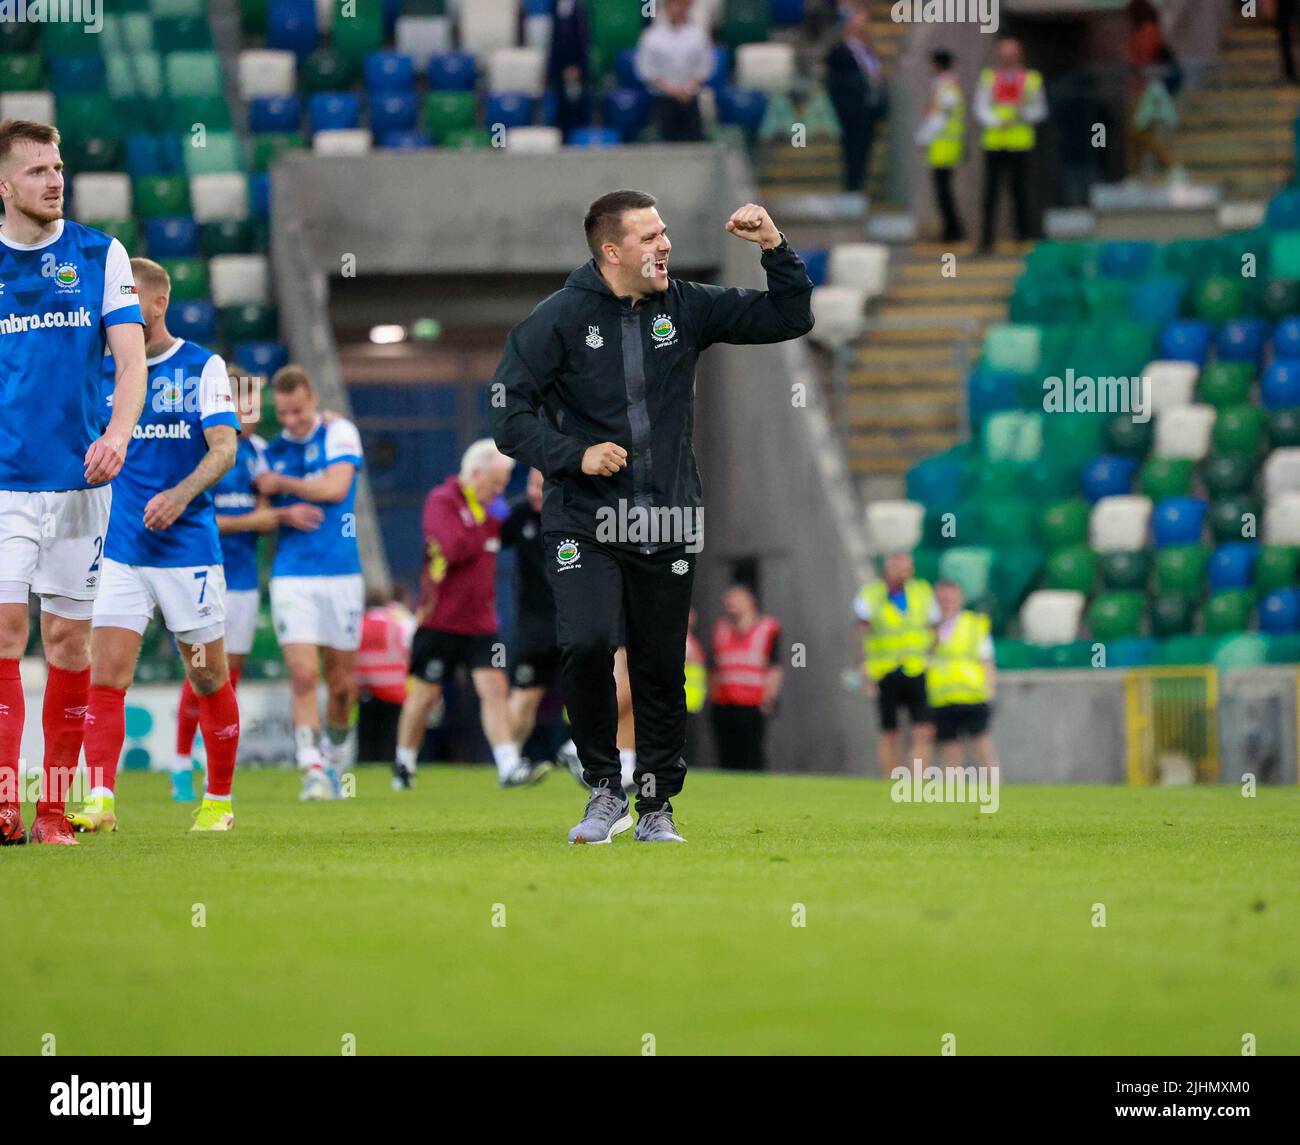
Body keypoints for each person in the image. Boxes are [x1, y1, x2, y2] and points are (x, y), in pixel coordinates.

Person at [491, 189, 813, 845]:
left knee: (661, 665)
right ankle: (603, 789)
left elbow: (791, 314)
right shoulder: (555, 319)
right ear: (611, 252)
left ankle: (656, 804)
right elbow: (507, 412)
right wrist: (573, 455)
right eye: (649, 236)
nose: (664, 244)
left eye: (664, 232)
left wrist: (774, 246)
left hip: (666, 520)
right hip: (583, 518)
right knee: (584, 642)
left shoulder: (687, 306)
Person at [0, 118, 146, 847]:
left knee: (67, 644)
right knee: (4, 631)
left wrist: (117, 435)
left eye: (57, 168)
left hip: (81, 483)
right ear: (4, 185)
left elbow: (130, 361)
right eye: (36, 171)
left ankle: (54, 808)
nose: (55, 180)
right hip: (4, 482)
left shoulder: (99, 253)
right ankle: (4, 801)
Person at [66, 258, 241, 835]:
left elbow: (224, 448)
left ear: (158, 302)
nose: (113, 306)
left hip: (188, 554)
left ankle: (217, 802)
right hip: (120, 552)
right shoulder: (106, 371)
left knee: (208, 678)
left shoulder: (202, 366)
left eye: (126, 295)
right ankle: (101, 799)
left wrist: (180, 494)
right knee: (107, 676)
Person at [171, 369, 321, 799]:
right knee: (198, 671)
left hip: (241, 582)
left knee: (225, 676)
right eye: (242, 403)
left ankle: (210, 764)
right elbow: (197, 520)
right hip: (201, 573)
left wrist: (270, 512)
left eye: (254, 404)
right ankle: (181, 765)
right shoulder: (202, 453)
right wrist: (260, 519)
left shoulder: (257, 453)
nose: (250, 414)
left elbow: (268, 502)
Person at [394, 439, 550, 791]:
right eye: (495, 483)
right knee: (425, 693)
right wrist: (483, 527)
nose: (498, 492)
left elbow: (512, 524)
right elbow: (451, 548)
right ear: (476, 474)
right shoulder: (442, 500)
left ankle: (508, 764)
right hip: (441, 620)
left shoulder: (492, 507)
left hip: (482, 623)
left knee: (494, 687)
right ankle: (404, 762)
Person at [256, 365, 365, 801]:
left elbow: (338, 488)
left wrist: (283, 485)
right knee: (303, 676)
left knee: (341, 686)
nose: (291, 421)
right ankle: (312, 769)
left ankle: (335, 759)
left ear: (312, 400)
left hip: (341, 573)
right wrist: (281, 513)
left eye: (297, 411)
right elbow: (261, 514)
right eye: (283, 414)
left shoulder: (340, 433)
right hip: (292, 575)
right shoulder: (270, 451)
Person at [855, 552, 937, 777]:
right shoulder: (871, 594)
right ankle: (891, 779)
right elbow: (862, 632)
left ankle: (919, 779)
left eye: (906, 567)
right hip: (885, 670)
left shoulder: (922, 592)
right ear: (887, 568)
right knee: (890, 731)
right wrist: (864, 668)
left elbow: (933, 628)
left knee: (922, 728)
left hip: (916, 668)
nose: (903, 572)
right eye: (897, 567)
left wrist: (931, 656)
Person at [975, 38, 1047, 254]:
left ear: (1019, 55)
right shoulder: (989, 78)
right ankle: (986, 241)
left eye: (1011, 54)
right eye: (1004, 54)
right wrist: (997, 121)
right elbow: (980, 107)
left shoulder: (1031, 79)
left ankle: (1023, 236)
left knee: (1021, 192)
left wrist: (1021, 115)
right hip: (995, 141)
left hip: (1020, 142)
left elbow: (1040, 109)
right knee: (990, 193)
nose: (1007, 58)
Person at [927, 579, 998, 775]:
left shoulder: (974, 624)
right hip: (942, 696)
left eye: (951, 596)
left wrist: (989, 689)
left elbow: (986, 660)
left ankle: (995, 791)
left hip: (972, 694)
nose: (947, 601)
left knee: (982, 747)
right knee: (950, 751)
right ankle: (952, 795)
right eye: (942, 597)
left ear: (961, 599)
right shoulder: (930, 628)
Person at [708, 583, 782, 771]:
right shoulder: (720, 628)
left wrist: (770, 697)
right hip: (724, 702)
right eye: (729, 598)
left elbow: (774, 667)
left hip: (752, 703)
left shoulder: (768, 628)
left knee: (752, 754)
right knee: (726, 756)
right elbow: (713, 666)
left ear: (751, 601)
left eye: (737, 598)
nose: (731, 602)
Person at [825, 7, 889, 194]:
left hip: (869, 112)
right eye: (862, 24)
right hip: (851, 112)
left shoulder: (869, 52)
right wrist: (846, 107)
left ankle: (858, 186)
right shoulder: (840, 52)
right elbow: (835, 83)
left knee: (864, 152)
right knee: (852, 151)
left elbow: (875, 79)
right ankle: (851, 188)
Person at [635, 0, 713, 144]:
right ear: (666, 7)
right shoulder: (651, 36)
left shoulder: (698, 35)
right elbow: (646, 69)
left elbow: (704, 66)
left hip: (690, 97)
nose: (678, 9)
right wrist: (671, 90)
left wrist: (687, 88)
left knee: (695, 140)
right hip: (663, 98)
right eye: (674, 4)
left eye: (682, 5)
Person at [355, 585, 415, 773]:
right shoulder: (397, 623)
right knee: (391, 734)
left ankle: (361, 772)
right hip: (394, 689)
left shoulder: (359, 625)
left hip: (366, 689)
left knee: (366, 734)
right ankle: (392, 767)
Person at [915, 50, 966, 244]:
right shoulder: (947, 86)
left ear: (937, 65)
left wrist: (923, 138)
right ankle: (952, 229)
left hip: (944, 147)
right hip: (944, 146)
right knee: (943, 192)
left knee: (943, 192)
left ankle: (953, 230)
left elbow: (938, 118)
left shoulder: (945, 87)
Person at [547, 0, 591, 140]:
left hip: (576, 65)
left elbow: (583, 39)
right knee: (562, 106)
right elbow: (554, 38)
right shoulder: (554, 5)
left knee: (576, 105)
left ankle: (579, 137)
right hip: (559, 65)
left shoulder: (580, 7)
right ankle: (563, 137)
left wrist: (577, 66)